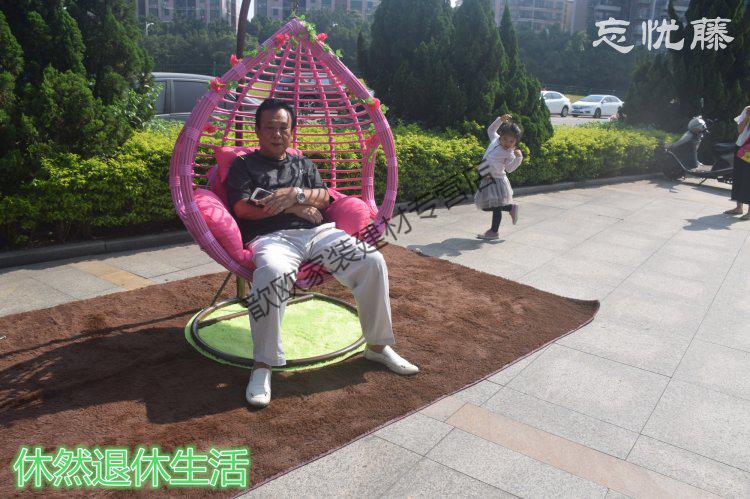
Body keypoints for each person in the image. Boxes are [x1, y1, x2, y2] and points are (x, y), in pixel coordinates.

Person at [226, 98, 418, 408]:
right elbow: (243, 209)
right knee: (273, 274)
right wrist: (294, 207)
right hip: (272, 238)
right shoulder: (244, 165)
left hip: (318, 233)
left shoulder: (303, 164)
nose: (277, 134)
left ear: (292, 131)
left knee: (372, 260)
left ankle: (377, 347)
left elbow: (326, 199)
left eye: (283, 128)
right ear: (258, 131)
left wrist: (297, 195)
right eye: (270, 128)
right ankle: (263, 364)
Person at [475, 114, 523, 240]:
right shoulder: (495, 140)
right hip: (486, 178)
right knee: (485, 206)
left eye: (511, 141)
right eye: (505, 139)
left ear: (516, 142)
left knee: (495, 207)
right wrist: (500, 120)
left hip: (497, 181)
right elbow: (491, 130)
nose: (507, 143)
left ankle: (494, 232)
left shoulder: (509, 153)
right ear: (500, 136)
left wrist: (518, 158)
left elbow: (509, 169)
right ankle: (510, 207)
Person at [724, 105, 750, 220]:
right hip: (741, 148)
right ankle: (739, 207)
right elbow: (740, 130)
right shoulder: (748, 109)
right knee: (738, 176)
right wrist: (746, 118)